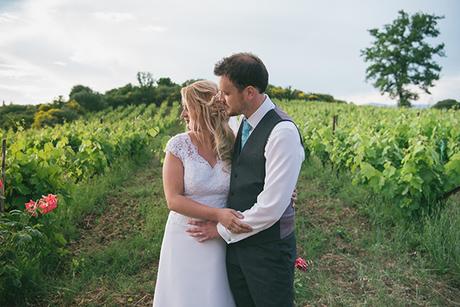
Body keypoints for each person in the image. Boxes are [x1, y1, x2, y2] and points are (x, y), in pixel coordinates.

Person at [187, 53, 305, 307]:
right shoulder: (243, 121)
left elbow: (271, 207)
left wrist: (219, 229)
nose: (220, 98)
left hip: (267, 252)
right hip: (238, 249)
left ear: (249, 92)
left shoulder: (282, 132)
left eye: (226, 93)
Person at [152, 80, 253, 307]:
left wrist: (285, 191)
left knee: (216, 294)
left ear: (201, 108)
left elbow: (252, 180)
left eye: (187, 107)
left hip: (220, 235)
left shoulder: (232, 143)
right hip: (187, 234)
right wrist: (219, 215)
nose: (183, 114)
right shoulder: (178, 145)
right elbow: (173, 199)